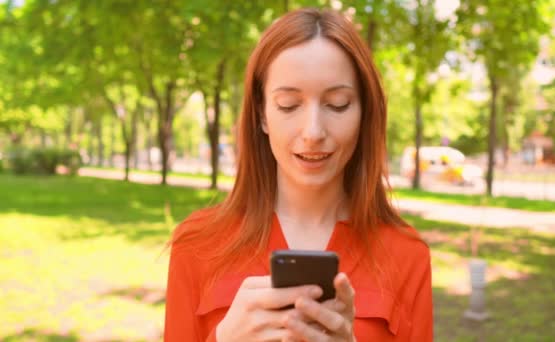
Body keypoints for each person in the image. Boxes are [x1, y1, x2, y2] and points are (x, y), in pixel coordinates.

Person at [164, 8, 432, 342]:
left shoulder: (407, 254)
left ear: (365, 113)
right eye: (289, 105)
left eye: (337, 104)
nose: (313, 131)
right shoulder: (196, 244)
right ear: (262, 114)